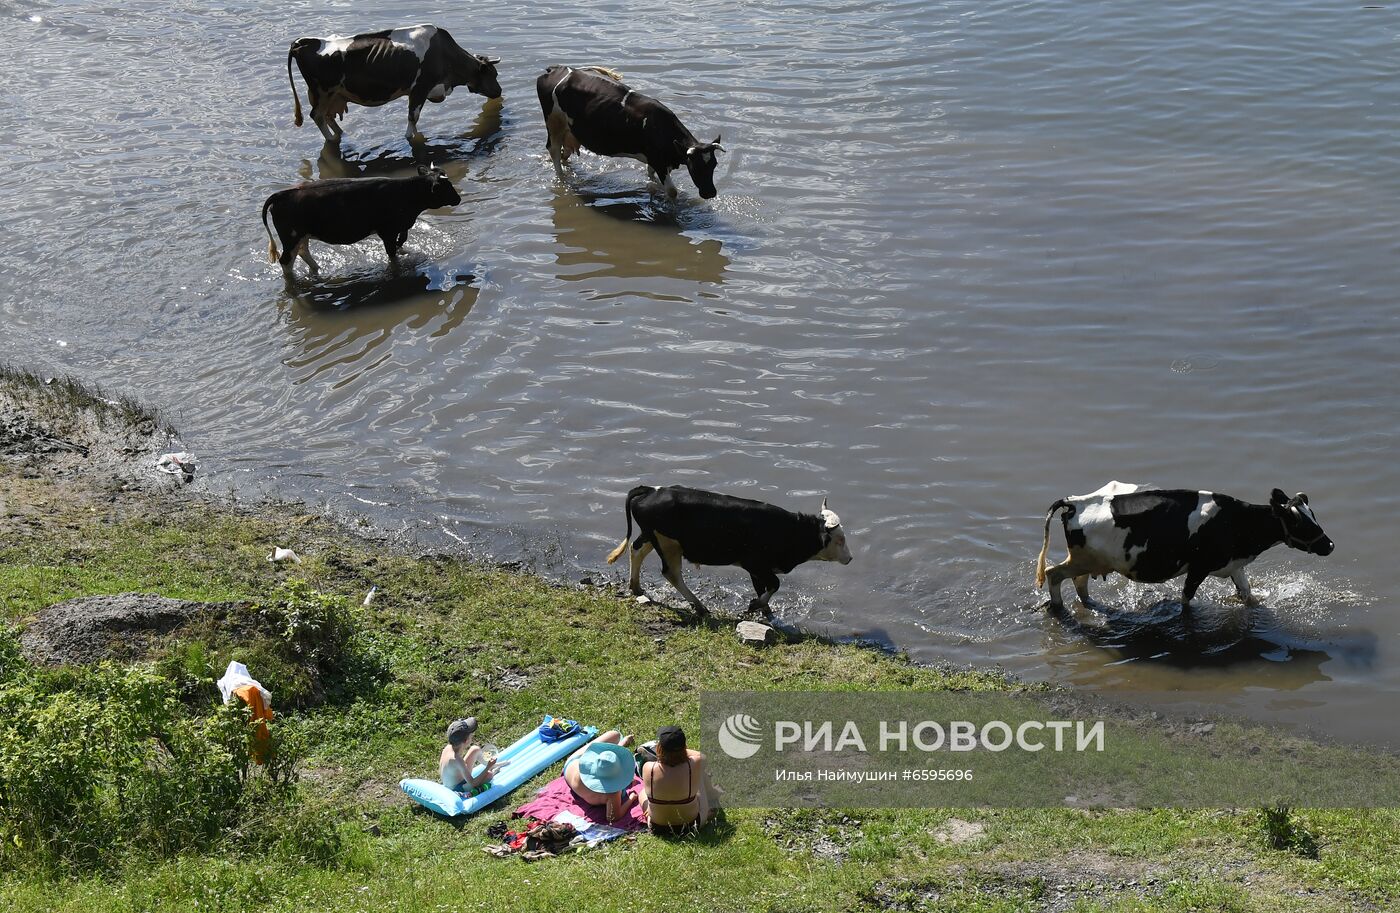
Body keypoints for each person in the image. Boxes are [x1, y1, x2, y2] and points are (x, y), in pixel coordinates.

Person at [640, 725, 718, 835]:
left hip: (656, 827)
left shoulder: (649, 768)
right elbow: (702, 756)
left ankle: (649, 813)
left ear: (659, 748)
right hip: (693, 825)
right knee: (699, 775)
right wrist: (681, 751)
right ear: (684, 747)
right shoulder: (695, 764)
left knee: (643, 792)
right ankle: (712, 797)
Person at [563, 730, 637, 823]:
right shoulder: (612, 792)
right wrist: (631, 798)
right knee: (615, 735)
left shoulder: (588, 766)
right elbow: (613, 818)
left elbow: (603, 761)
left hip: (570, 766)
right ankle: (619, 747)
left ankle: (620, 746)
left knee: (614, 735)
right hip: (573, 767)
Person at [439, 717, 497, 794]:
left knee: (475, 749)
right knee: (489, 775)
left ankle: (493, 765)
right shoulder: (456, 759)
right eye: (471, 735)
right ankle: (492, 767)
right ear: (466, 741)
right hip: (457, 788)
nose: (472, 736)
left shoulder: (448, 747)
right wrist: (488, 767)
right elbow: (473, 783)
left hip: (457, 778)